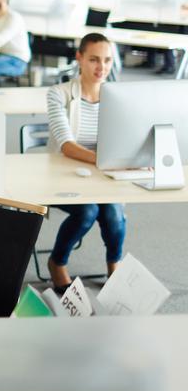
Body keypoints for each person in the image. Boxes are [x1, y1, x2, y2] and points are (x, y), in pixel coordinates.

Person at [46, 32, 126, 294]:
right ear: (79, 58)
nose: (101, 68)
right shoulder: (59, 94)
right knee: (87, 212)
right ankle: (57, 262)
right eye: (94, 59)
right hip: (64, 173)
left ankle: (115, 264)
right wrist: (107, 161)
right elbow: (67, 147)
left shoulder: (117, 97)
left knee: (113, 214)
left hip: (101, 175)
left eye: (107, 60)